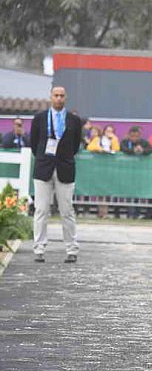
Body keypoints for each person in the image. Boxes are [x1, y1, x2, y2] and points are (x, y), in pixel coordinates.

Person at [30, 86, 82, 263]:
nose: (59, 98)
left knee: (67, 210)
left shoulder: (74, 120)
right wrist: (46, 158)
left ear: (66, 98)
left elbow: (75, 146)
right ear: (50, 97)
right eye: (56, 95)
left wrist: (63, 158)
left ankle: (71, 249)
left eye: (61, 96)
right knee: (41, 209)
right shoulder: (39, 118)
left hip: (65, 168)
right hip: (44, 167)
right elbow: (34, 143)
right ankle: (38, 248)